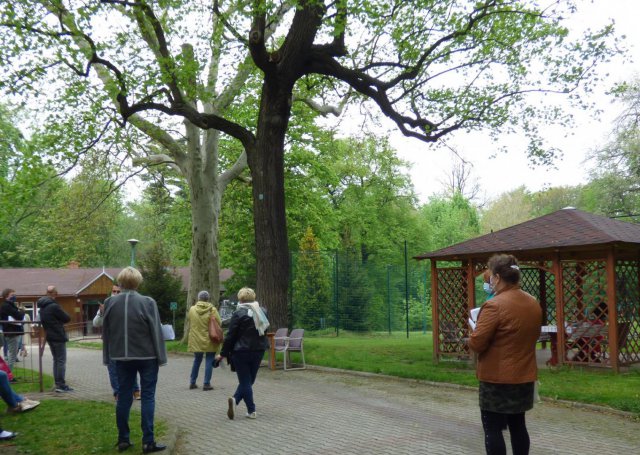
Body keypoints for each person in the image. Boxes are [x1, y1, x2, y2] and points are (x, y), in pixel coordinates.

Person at [468, 254, 542, 455]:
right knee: (518, 425)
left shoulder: (494, 305)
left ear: (498, 277)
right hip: (524, 375)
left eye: (491, 275)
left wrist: (472, 334)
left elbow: (477, 343)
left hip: (497, 378)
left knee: (492, 428)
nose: (489, 280)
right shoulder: (533, 302)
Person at [102, 267, 167, 453]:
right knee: (147, 397)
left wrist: (107, 356)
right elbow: (156, 330)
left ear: (120, 282)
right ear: (138, 282)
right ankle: (148, 441)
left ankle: (123, 439)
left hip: (121, 358)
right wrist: (161, 357)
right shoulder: (147, 302)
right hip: (147, 357)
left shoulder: (110, 302)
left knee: (123, 397)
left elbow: (106, 333)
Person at [217, 287, 269, 420]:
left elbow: (231, 336)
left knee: (246, 381)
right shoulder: (262, 311)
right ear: (254, 297)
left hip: (241, 352)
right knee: (249, 381)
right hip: (258, 350)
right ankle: (248, 409)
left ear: (240, 299)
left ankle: (241, 404)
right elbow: (265, 331)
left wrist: (222, 353)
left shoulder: (239, 313)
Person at [93, 284, 141, 401]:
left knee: (131, 367)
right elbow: (96, 323)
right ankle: (118, 392)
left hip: (127, 342)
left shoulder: (128, 304)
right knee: (113, 369)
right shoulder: (107, 305)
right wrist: (101, 313)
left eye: (118, 291)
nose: (115, 294)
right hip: (111, 343)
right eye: (113, 291)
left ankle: (135, 390)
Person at [37, 286, 72, 393]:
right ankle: (60, 385)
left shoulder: (42, 307)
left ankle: (57, 383)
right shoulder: (54, 306)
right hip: (58, 335)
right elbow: (67, 318)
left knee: (56, 360)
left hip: (49, 336)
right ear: (55, 294)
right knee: (61, 361)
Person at [187, 290, 221, 391]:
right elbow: (219, 322)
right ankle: (206, 384)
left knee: (197, 360)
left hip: (196, 339)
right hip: (210, 339)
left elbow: (190, 321)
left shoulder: (192, 309)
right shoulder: (212, 309)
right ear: (208, 298)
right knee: (209, 360)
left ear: (198, 298)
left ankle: (192, 382)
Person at [0, 288, 25, 374]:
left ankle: (8, 374)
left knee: (12, 355)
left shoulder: (9, 305)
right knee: (12, 355)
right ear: (6, 296)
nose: (14, 296)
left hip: (12, 331)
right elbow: (19, 316)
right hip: (11, 332)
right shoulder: (7, 306)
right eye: (12, 295)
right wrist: (22, 311)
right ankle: (8, 375)